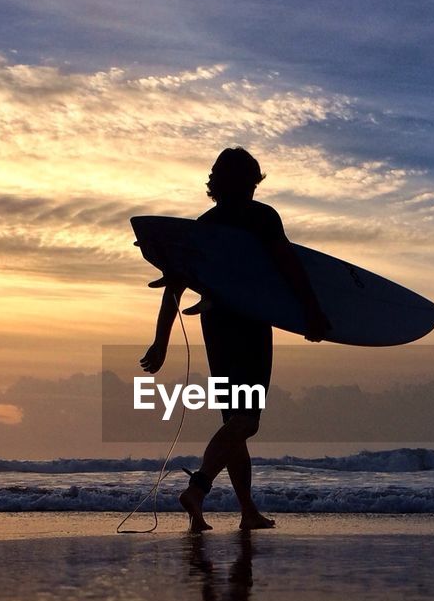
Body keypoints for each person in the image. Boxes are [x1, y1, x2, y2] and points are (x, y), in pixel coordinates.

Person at [141, 148, 329, 532]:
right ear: (249, 181)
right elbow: (288, 265)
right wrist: (312, 311)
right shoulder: (261, 217)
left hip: (216, 325)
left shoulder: (204, 226)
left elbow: (173, 288)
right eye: (251, 181)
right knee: (246, 421)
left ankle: (247, 511)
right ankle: (198, 488)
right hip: (249, 325)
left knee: (235, 422)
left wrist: (161, 341)